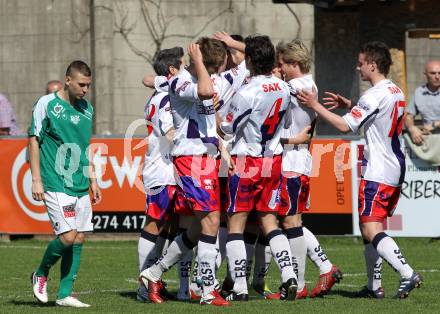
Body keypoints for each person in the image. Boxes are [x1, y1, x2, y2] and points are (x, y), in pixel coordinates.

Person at [297, 41, 422, 299]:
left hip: (379, 169)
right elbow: (377, 116)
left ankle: (408, 273)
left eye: (361, 62)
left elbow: (345, 127)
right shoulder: (394, 90)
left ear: (373, 65)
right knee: (371, 229)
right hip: (395, 166)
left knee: (369, 227)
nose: (358, 67)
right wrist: (351, 104)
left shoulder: (373, 95)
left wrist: (314, 105)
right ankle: (374, 286)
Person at [140, 38, 230, 307]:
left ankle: (152, 273)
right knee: (210, 222)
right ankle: (206, 290)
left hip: (205, 157)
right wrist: (200, 63)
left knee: (199, 225)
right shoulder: (181, 81)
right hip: (189, 159)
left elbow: (207, 120)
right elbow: (203, 91)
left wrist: (222, 150)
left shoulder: (200, 78)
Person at [219, 35, 297, 301]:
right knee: (269, 220)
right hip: (272, 161)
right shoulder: (284, 88)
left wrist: (216, 118)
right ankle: (289, 275)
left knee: (236, 224)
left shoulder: (247, 91)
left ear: (249, 60)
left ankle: (239, 287)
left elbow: (227, 127)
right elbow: (285, 122)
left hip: (247, 160)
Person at [29, 60, 101, 308]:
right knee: (68, 236)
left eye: (89, 85)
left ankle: (65, 293)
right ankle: (40, 272)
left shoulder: (86, 109)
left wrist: (93, 179)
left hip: (80, 183)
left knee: (79, 237)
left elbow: (85, 148)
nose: (85, 89)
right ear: (67, 80)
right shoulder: (46, 104)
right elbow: (34, 140)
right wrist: (36, 179)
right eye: (81, 84)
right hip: (54, 181)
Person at [276, 39, 343, 299]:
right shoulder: (307, 84)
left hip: (292, 161)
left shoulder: (295, 87)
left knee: (288, 221)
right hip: (299, 160)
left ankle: (303, 282)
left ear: (294, 63)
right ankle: (324, 267)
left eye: (282, 64)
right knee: (290, 221)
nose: (279, 69)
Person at [136, 47, 188, 302]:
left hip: (170, 170)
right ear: (172, 71)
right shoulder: (166, 99)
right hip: (163, 171)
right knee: (155, 224)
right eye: (183, 66)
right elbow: (170, 133)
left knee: (171, 226)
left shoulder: (160, 94)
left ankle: (155, 280)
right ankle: (144, 283)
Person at [405, 60, 440, 145]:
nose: (437, 76)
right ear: (426, 75)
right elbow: (409, 115)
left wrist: (435, 124)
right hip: (429, 141)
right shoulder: (419, 92)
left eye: (439, 73)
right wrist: (412, 128)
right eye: (433, 73)